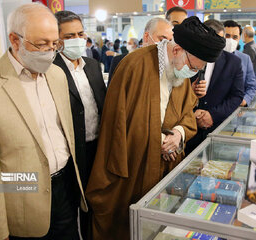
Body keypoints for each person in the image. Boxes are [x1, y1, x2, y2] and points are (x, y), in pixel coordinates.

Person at [85, 16, 225, 240]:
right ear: (177, 49)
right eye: (192, 66)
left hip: (165, 168)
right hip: (132, 167)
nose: (191, 72)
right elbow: (118, 124)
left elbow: (188, 115)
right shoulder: (134, 64)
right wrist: (157, 141)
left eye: (198, 70)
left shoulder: (180, 70)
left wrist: (178, 134)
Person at [0, 3, 87, 240]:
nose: (50, 52)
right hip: (23, 200)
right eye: (41, 44)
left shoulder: (57, 74)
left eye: (55, 44)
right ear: (15, 40)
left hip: (65, 190)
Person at [53, 10, 106, 240]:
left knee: (95, 204)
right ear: (57, 41)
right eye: (69, 36)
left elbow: (102, 103)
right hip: (71, 153)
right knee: (72, 206)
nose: (77, 39)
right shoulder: (51, 69)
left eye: (80, 33)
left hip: (97, 147)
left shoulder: (93, 65)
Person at [185, 19, 244, 155]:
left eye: (221, 40)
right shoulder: (186, 57)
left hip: (216, 130)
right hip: (187, 128)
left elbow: (237, 96)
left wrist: (212, 115)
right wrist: (190, 113)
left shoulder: (233, 63)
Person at [108, 18, 173, 86]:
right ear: (146, 36)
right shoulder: (122, 62)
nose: (166, 44)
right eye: (162, 40)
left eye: (170, 41)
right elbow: (113, 94)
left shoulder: (171, 66)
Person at [223, 20, 256, 106]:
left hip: (237, 109)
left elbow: (251, 86)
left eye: (234, 37)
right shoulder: (213, 58)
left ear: (239, 38)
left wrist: (245, 100)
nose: (230, 40)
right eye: (227, 36)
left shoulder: (245, 59)